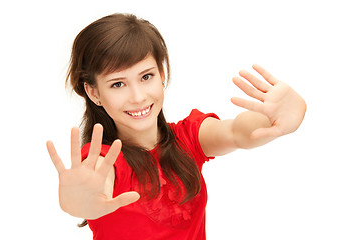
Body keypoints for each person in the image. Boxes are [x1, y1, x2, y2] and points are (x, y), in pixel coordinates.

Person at [46, 13, 306, 240]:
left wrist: (278, 119)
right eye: (117, 84)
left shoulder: (189, 136)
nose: (138, 96)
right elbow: (88, 192)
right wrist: (77, 202)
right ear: (94, 93)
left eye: (146, 77)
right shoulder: (101, 161)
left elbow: (238, 132)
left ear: (162, 74)